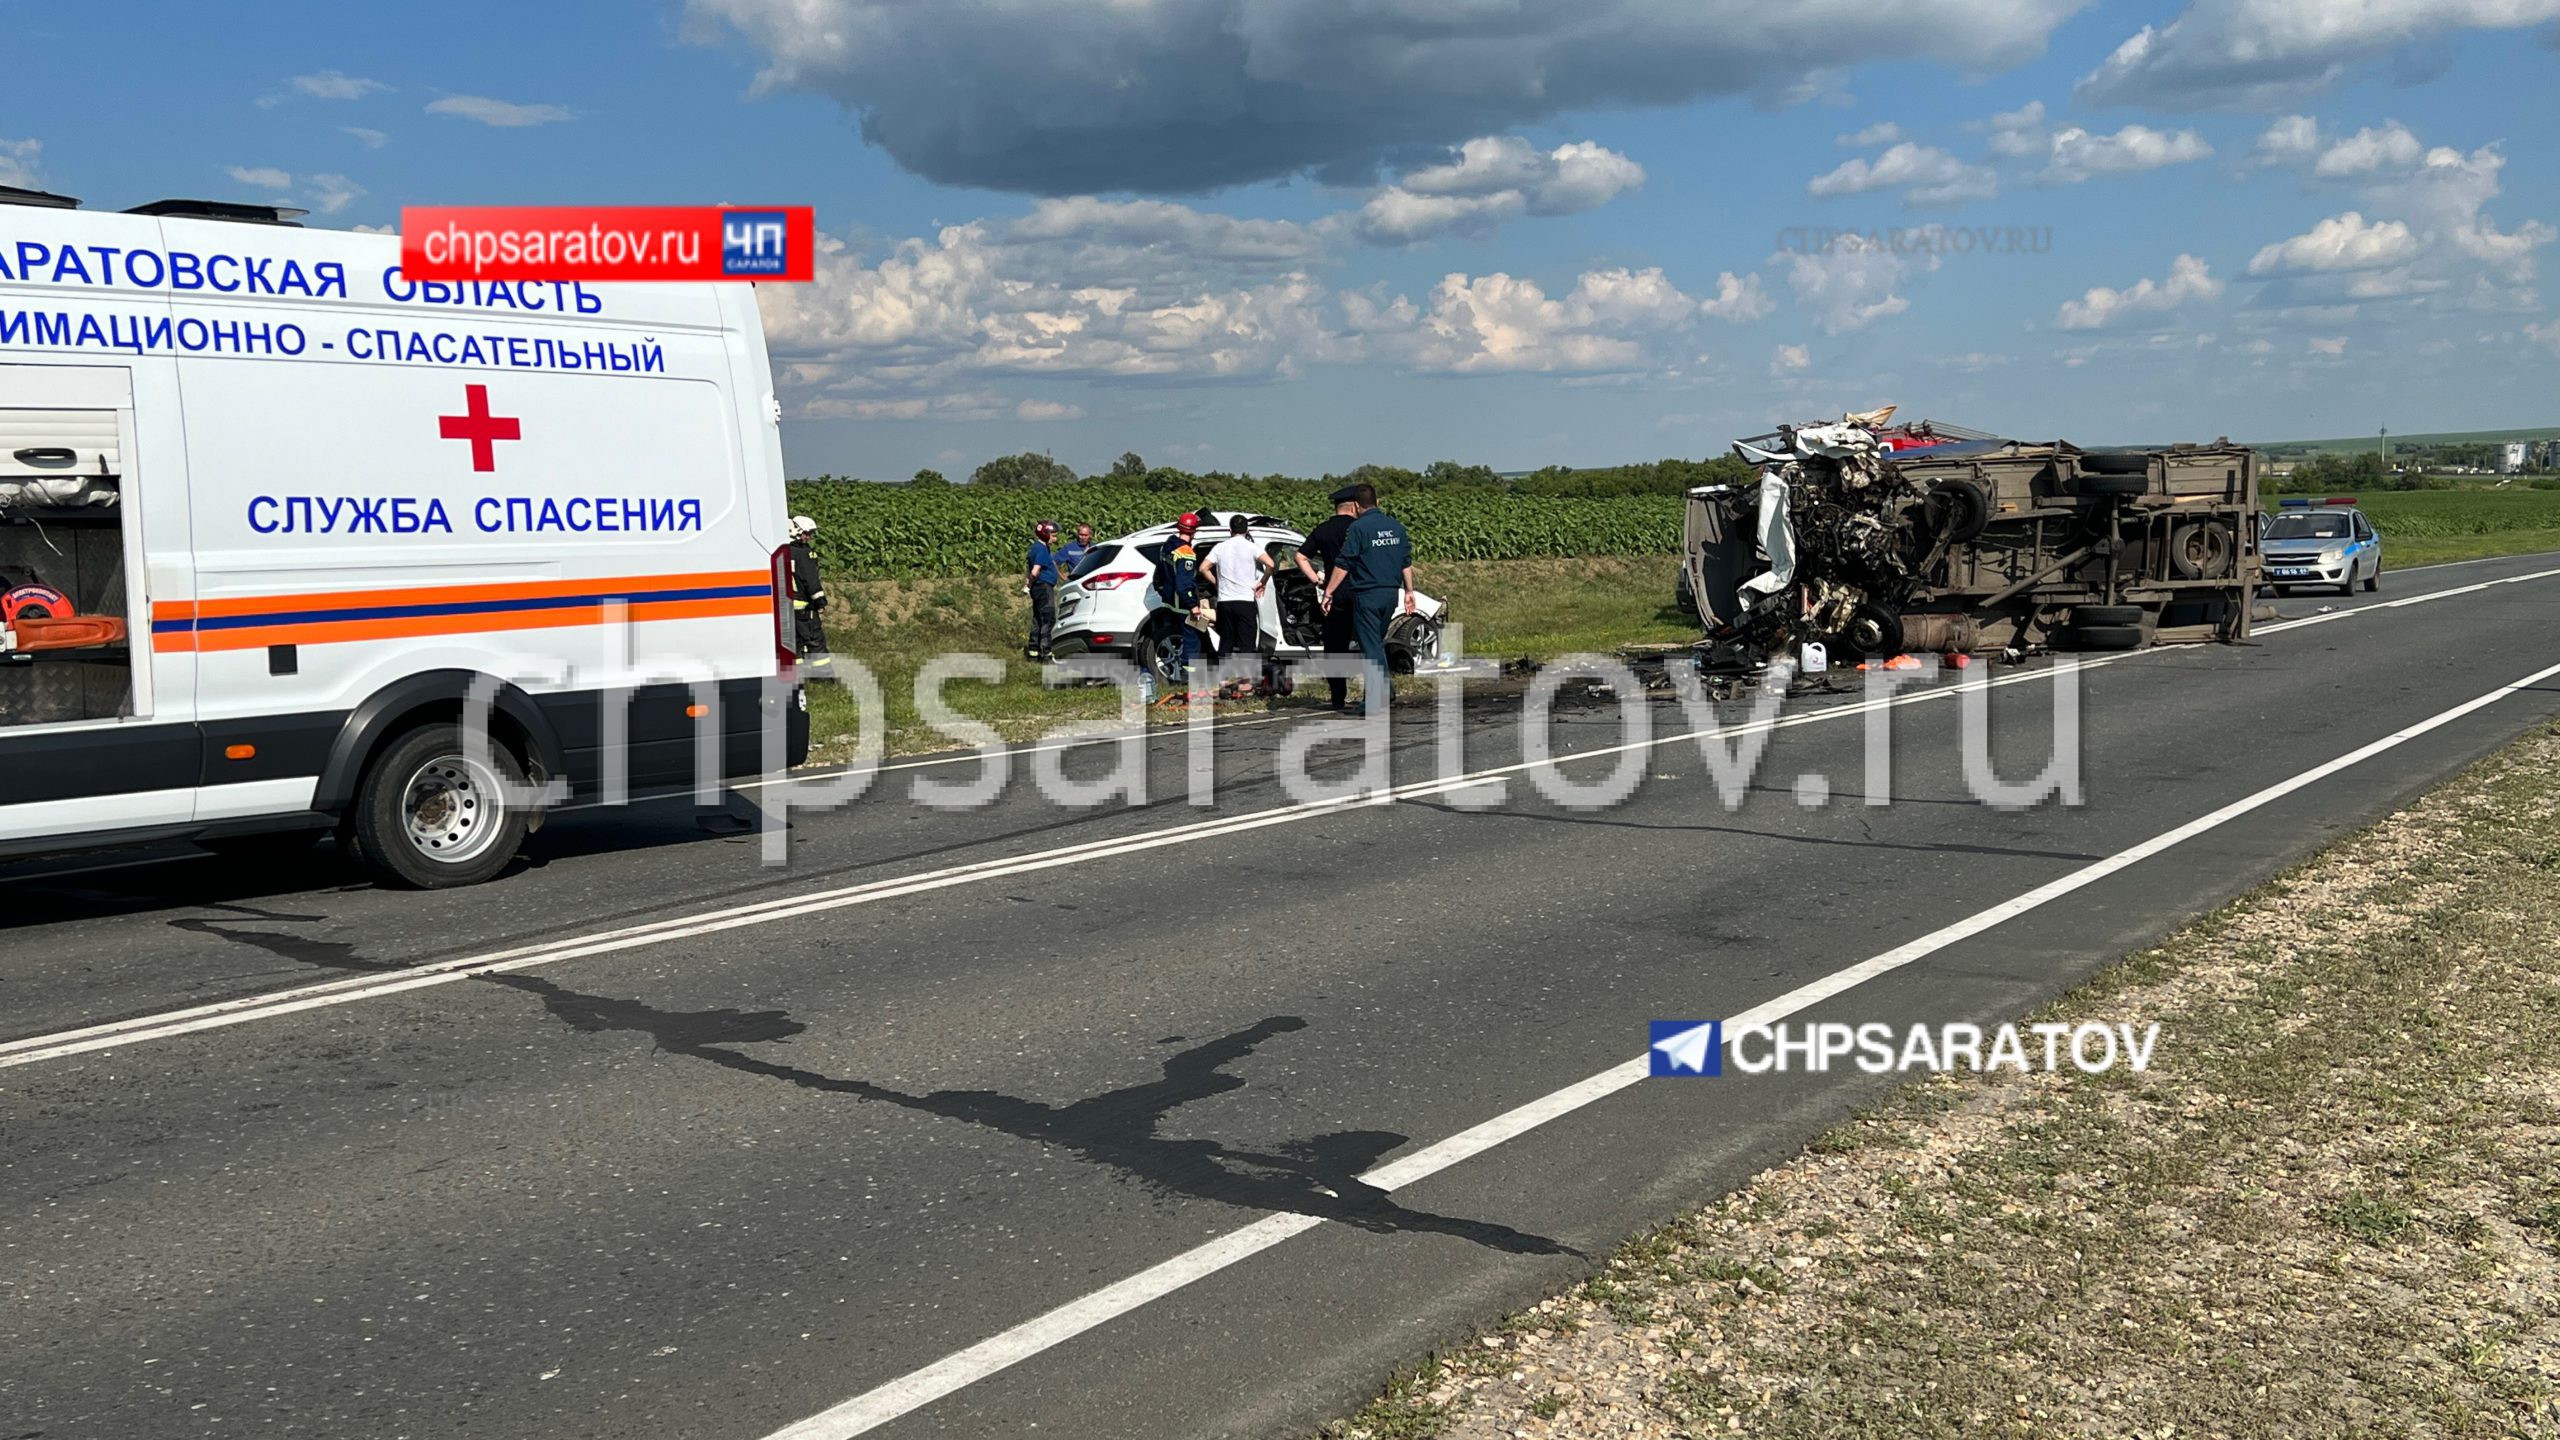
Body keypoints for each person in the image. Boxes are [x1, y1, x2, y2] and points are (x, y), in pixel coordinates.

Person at [1318, 484, 1414, 710]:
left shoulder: (1359, 528)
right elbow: (1406, 562)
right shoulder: (1396, 527)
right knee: (1376, 644)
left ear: (1356, 506)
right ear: (1377, 502)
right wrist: (1409, 591)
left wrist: (1329, 592)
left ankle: (1375, 698)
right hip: (1391, 594)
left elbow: (1344, 562)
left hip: (1367, 594)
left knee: (1369, 647)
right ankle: (1386, 690)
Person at [1294, 485, 1363, 711]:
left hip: (1334, 594)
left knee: (1335, 646)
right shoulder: (1361, 527)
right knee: (1368, 643)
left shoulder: (1323, 530)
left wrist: (1317, 580)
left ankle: (1337, 697)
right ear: (1354, 505)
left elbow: (1300, 556)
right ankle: (1372, 693)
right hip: (1362, 590)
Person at [1200, 515, 1276, 694]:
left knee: (1226, 641)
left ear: (1230, 530)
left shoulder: (1220, 548)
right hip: (1245, 600)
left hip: (1225, 601)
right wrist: (1262, 581)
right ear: (1246, 530)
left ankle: (1223, 680)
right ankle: (1245, 682)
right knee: (1246, 643)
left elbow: (1203, 568)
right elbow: (1271, 564)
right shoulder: (1251, 547)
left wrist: (1217, 583)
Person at [1150, 513, 1207, 693]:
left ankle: (1182, 676)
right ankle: (1189, 681)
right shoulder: (1186, 553)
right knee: (1192, 640)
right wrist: (1193, 605)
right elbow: (1184, 584)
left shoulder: (1167, 546)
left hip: (1169, 602)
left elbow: (1159, 574)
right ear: (1194, 530)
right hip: (1182, 604)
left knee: (1182, 637)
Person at [786, 514, 835, 680]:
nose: (809, 537)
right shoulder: (804, 554)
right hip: (805, 610)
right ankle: (823, 677)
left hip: (787, 609)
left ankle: (797, 677)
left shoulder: (782, 552)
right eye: (806, 533)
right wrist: (820, 601)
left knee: (795, 644)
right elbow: (811, 580)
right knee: (815, 642)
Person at [1024, 520, 1061, 661]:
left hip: (1038, 588)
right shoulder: (1041, 549)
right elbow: (1035, 571)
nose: (1055, 539)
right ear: (1045, 535)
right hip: (1044, 587)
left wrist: (1029, 585)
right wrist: (1030, 583)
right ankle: (1046, 652)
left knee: (1038, 619)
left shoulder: (1036, 548)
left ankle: (1033, 652)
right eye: (1053, 535)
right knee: (1048, 618)